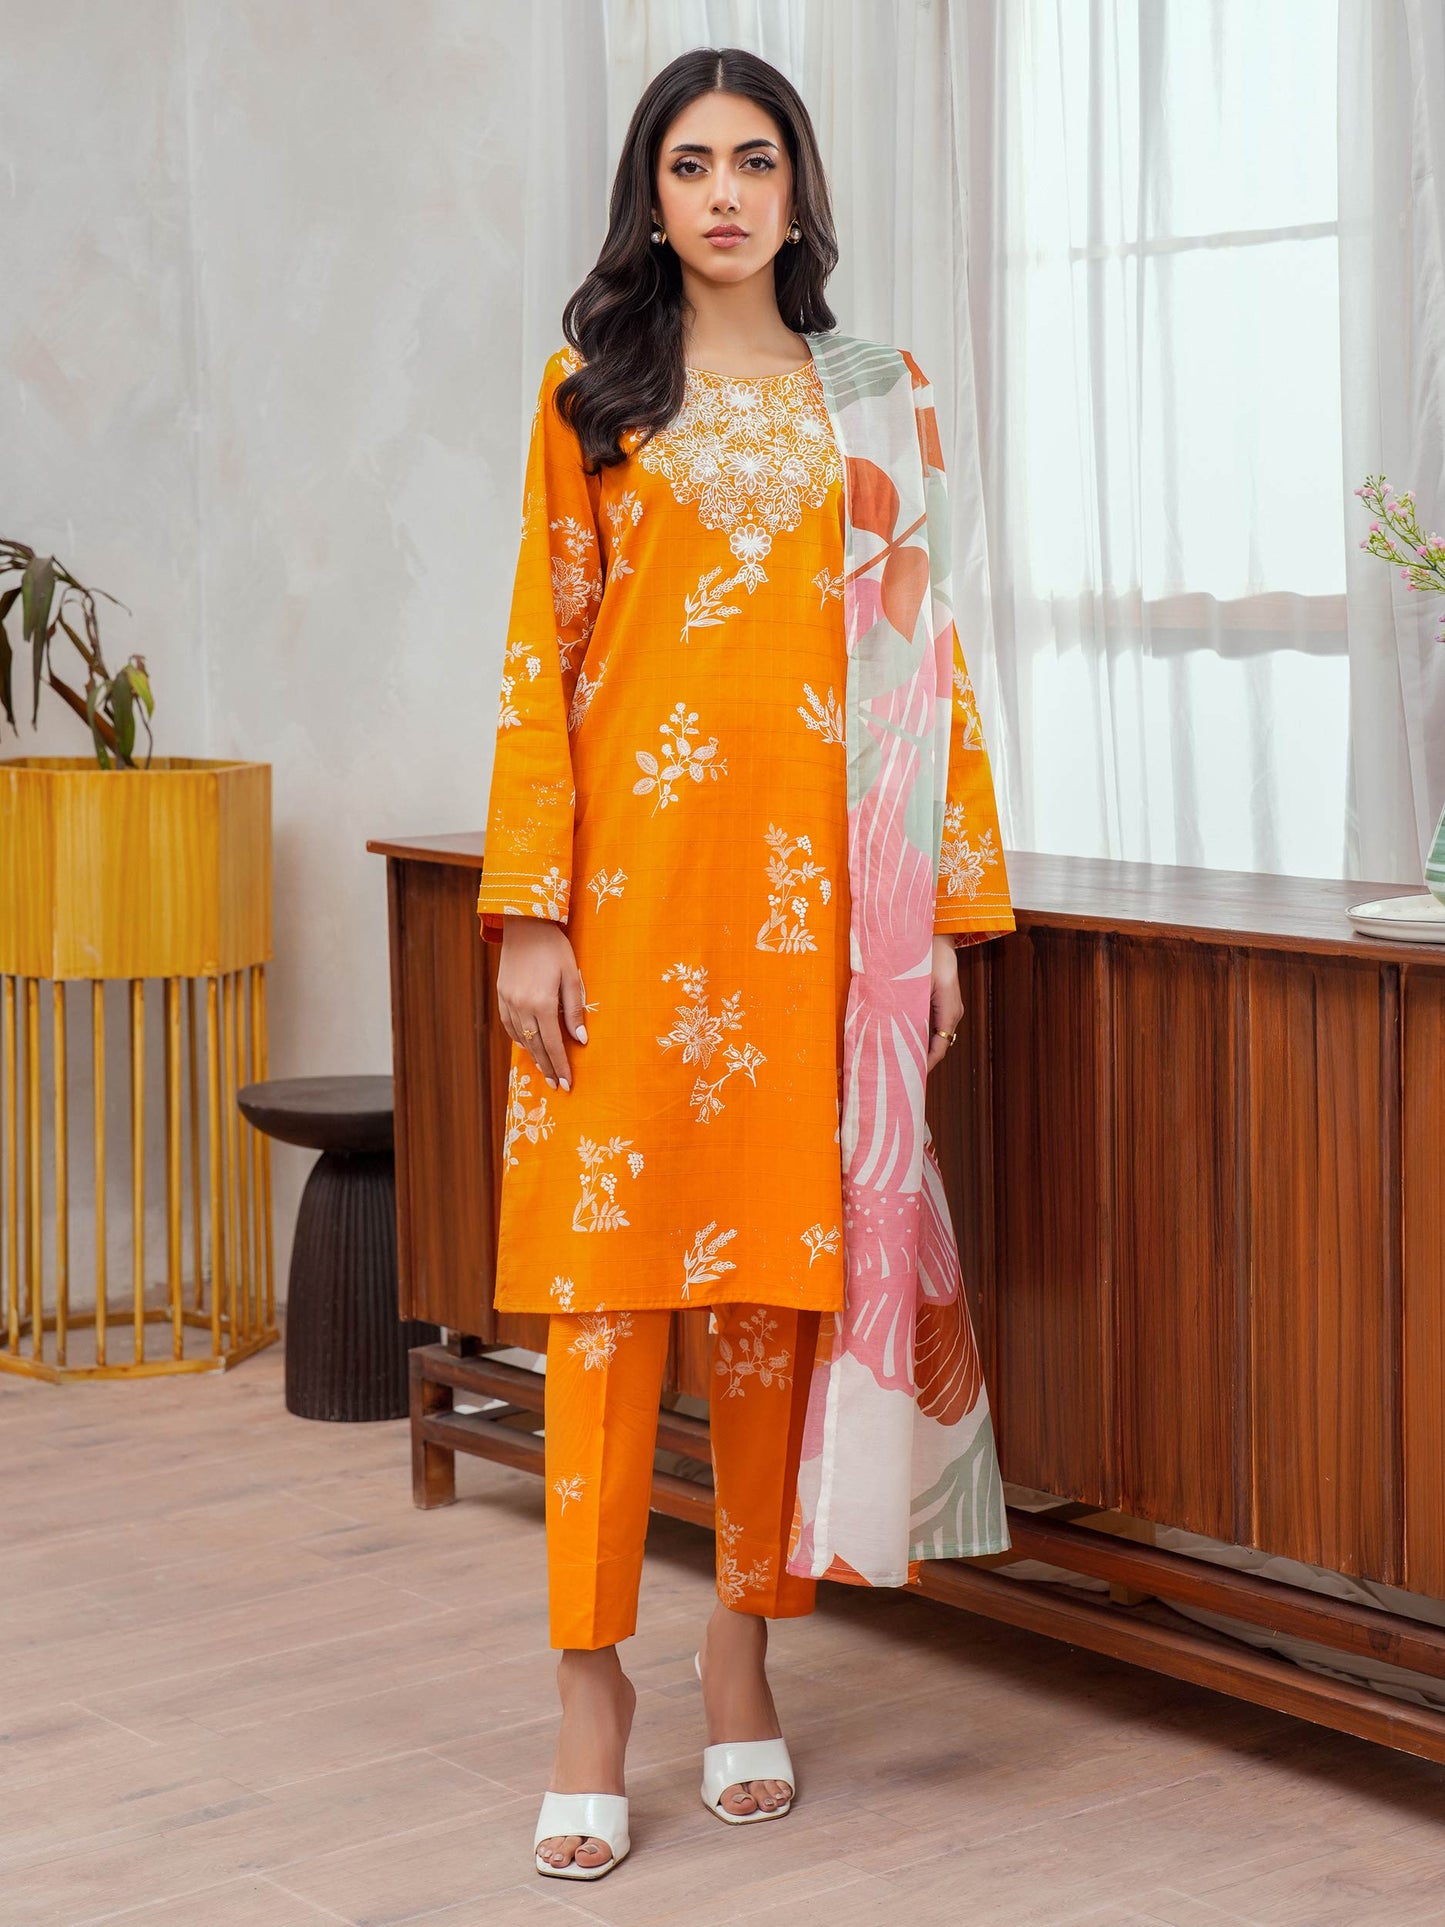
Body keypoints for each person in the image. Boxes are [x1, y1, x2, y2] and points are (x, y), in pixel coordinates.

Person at [476, 45, 1014, 1883]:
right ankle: (588, 1691)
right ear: (649, 195)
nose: (724, 193)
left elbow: (926, 665)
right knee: (605, 1298)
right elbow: (538, 657)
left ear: (798, 189)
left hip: (817, 923)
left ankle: (739, 1654)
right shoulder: (590, 395)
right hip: (629, 908)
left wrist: (938, 920)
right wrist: (529, 911)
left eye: (755, 160)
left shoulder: (879, 396)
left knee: (777, 1295)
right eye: (691, 163)